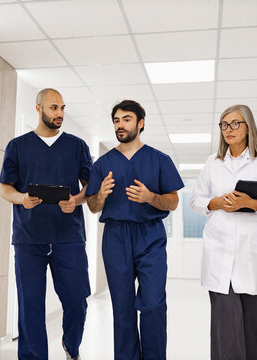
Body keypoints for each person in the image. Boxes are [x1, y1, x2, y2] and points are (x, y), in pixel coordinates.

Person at [190, 104, 257, 360]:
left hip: (255, 259)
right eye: (224, 124)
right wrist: (216, 202)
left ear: (248, 127)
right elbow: (195, 200)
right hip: (220, 259)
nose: (229, 129)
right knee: (226, 333)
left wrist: (252, 203)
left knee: (256, 332)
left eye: (235, 123)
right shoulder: (213, 163)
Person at [86, 100, 184, 360]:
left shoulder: (160, 160)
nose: (120, 125)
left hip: (150, 235)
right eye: (117, 120)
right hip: (116, 237)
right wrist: (102, 196)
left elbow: (173, 201)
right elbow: (92, 206)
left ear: (140, 123)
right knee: (123, 308)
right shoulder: (103, 163)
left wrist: (151, 197)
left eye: (126, 119)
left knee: (153, 305)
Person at [0, 88, 92, 360]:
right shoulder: (17, 146)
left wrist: (76, 200)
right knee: (30, 308)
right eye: (54, 108)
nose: (60, 113)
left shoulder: (77, 146)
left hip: (69, 237)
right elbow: (5, 188)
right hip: (29, 239)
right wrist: (22, 198)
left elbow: (89, 189)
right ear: (38, 109)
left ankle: (71, 345)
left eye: (62, 108)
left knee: (77, 299)